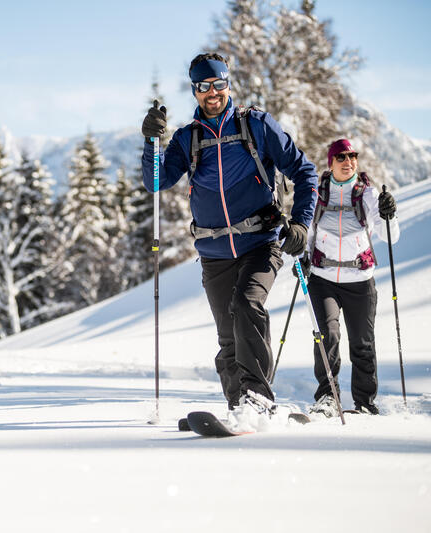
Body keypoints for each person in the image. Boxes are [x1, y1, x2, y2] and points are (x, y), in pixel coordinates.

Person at [140, 52, 318, 418]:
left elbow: (305, 171)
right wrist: (150, 144)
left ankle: (258, 400)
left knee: (246, 305)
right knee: (228, 337)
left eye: (219, 83)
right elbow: (155, 182)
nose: (213, 92)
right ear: (194, 90)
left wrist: (301, 222)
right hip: (214, 251)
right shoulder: (187, 139)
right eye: (204, 86)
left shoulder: (255, 126)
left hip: (261, 242)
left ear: (228, 84)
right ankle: (240, 409)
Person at [297, 139, 399, 417]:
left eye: (352, 156)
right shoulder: (318, 192)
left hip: (360, 280)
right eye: (341, 157)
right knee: (326, 336)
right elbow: (306, 229)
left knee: (362, 343)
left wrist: (389, 215)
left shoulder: (366, 194)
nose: (348, 161)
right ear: (331, 162)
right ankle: (328, 397)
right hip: (322, 278)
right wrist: (302, 256)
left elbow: (389, 236)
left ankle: (364, 402)